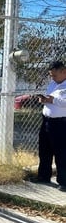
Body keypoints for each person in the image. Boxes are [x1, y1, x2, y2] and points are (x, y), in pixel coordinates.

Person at [35, 61, 66, 192]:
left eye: (54, 75)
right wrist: (44, 100)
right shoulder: (53, 84)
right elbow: (50, 99)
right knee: (44, 150)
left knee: (62, 153)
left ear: (63, 71)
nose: (52, 78)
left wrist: (51, 100)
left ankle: (64, 182)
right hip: (47, 121)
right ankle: (43, 176)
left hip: (61, 123)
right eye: (51, 75)